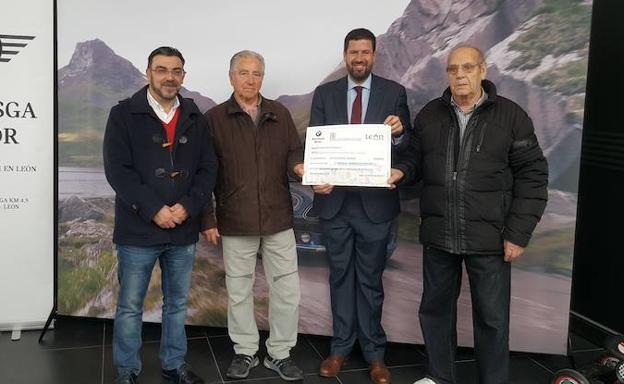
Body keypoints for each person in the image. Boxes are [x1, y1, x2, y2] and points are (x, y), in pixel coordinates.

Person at [391, 45, 548, 384]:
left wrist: (518, 234)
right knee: (434, 311)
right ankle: (439, 376)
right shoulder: (430, 114)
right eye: (452, 69)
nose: (459, 75)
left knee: (491, 318)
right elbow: (416, 162)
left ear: (483, 70)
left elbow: (533, 176)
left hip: (490, 237)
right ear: (446, 74)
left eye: (467, 67)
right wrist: (401, 172)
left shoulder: (511, 116)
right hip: (439, 234)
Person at [103, 46, 216, 384]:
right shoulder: (122, 114)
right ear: (148, 73)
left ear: (183, 75)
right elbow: (117, 171)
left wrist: (189, 206)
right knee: (129, 307)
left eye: (176, 70)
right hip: (138, 230)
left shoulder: (195, 115)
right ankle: (127, 371)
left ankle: (174, 365)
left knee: (177, 305)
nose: (170, 76)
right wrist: (153, 209)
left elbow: (208, 168)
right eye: (162, 69)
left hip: (182, 229)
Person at [309, 28, 411, 384]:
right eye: (353, 52)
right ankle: (339, 350)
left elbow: (407, 147)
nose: (359, 58)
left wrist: (398, 133)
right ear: (345, 54)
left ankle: (375, 356)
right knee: (339, 278)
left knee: (370, 282)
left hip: (376, 207)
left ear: (374, 55)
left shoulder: (394, 93)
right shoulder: (324, 94)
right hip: (335, 205)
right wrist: (316, 174)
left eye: (365, 52)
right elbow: (317, 144)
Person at [200, 50, 305, 382]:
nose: (250, 79)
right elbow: (204, 173)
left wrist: (300, 168)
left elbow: (293, 153)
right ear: (231, 77)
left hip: (278, 218)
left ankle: (279, 353)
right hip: (235, 220)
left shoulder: (280, 113)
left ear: (263, 77)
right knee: (240, 289)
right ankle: (245, 351)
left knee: (287, 289)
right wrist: (208, 218)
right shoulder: (214, 119)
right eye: (243, 73)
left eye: (256, 73)